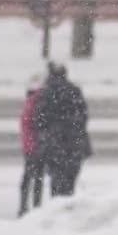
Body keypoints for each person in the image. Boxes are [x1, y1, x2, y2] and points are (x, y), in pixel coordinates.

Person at [34, 63, 92, 196]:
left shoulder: (46, 93)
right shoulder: (74, 91)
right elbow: (83, 116)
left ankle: (59, 208)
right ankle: (68, 207)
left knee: (56, 183)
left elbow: (40, 120)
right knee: (70, 183)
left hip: (55, 145)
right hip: (74, 144)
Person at [18, 75, 45, 217]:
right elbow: (36, 126)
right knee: (37, 178)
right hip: (35, 146)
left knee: (28, 178)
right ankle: (36, 207)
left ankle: (23, 207)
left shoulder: (29, 103)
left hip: (28, 146)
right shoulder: (37, 104)